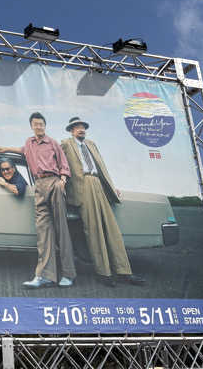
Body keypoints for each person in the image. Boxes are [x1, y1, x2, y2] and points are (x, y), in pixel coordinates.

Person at [61, 116, 145, 286]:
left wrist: (111, 187)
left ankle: (124, 272)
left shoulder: (91, 144)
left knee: (112, 230)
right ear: (71, 130)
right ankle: (104, 273)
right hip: (82, 186)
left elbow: (102, 169)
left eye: (83, 126)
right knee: (94, 231)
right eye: (77, 127)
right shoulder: (65, 144)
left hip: (98, 183)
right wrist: (61, 183)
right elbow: (60, 164)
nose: (81, 129)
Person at [0, 112, 76, 288]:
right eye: (35, 124)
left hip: (54, 182)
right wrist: (5, 149)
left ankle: (69, 274)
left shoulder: (53, 143)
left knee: (61, 229)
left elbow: (64, 164)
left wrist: (62, 180)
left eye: (41, 124)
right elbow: (21, 151)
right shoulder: (28, 143)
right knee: (43, 232)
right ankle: (45, 276)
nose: (38, 127)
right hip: (39, 186)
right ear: (31, 126)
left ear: (44, 126)